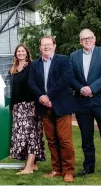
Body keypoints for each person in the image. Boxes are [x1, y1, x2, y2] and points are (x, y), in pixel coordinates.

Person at [29, 35, 76, 183]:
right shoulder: (35, 64)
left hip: (61, 106)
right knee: (51, 141)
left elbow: (65, 80)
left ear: (54, 46)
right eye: (43, 45)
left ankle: (68, 171)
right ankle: (56, 169)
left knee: (65, 140)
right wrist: (42, 97)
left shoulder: (63, 60)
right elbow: (31, 83)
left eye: (49, 44)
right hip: (44, 108)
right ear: (40, 48)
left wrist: (48, 96)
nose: (46, 47)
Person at [70, 29, 101, 178]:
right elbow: (70, 76)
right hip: (82, 103)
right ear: (80, 41)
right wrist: (81, 88)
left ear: (94, 39)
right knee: (86, 138)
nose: (87, 41)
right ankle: (88, 167)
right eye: (83, 39)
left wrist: (92, 88)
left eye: (89, 38)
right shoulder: (74, 56)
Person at [9, 43, 45, 175]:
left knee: (32, 135)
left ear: (27, 53)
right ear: (15, 54)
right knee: (22, 136)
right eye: (18, 51)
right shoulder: (12, 69)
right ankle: (32, 165)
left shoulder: (31, 66)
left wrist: (36, 104)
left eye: (23, 51)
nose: (20, 53)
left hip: (30, 105)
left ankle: (28, 167)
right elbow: (13, 91)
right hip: (18, 107)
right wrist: (12, 106)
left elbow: (35, 86)